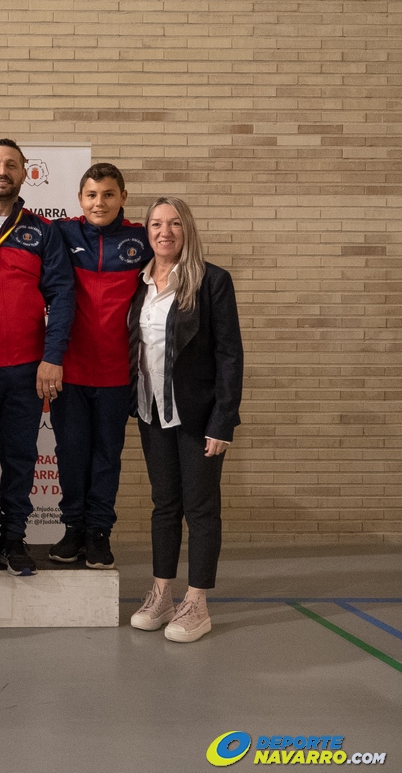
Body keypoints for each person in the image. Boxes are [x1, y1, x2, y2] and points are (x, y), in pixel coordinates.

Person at [0, 139, 75, 576]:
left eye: (11, 165)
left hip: (27, 368)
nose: (2, 171)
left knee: (22, 456)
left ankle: (15, 537)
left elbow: (61, 297)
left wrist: (52, 356)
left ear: (25, 174)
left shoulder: (43, 231)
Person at [127, 197, 243, 643]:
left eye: (174, 223)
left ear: (187, 229)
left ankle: (197, 603)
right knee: (164, 505)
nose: (165, 232)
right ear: (147, 230)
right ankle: (161, 594)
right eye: (156, 224)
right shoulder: (139, 283)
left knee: (200, 508)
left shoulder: (212, 281)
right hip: (151, 411)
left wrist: (223, 420)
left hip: (198, 417)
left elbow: (229, 355)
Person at [45, 164, 152, 570]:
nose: (99, 202)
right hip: (69, 372)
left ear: (123, 197)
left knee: (107, 457)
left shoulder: (141, 239)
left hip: (116, 376)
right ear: (79, 200)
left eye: (108, 194)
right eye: (91, 195)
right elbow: (12, 220)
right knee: (71, 454)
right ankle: (73, 529)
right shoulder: (62, 233)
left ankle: (99, 533)